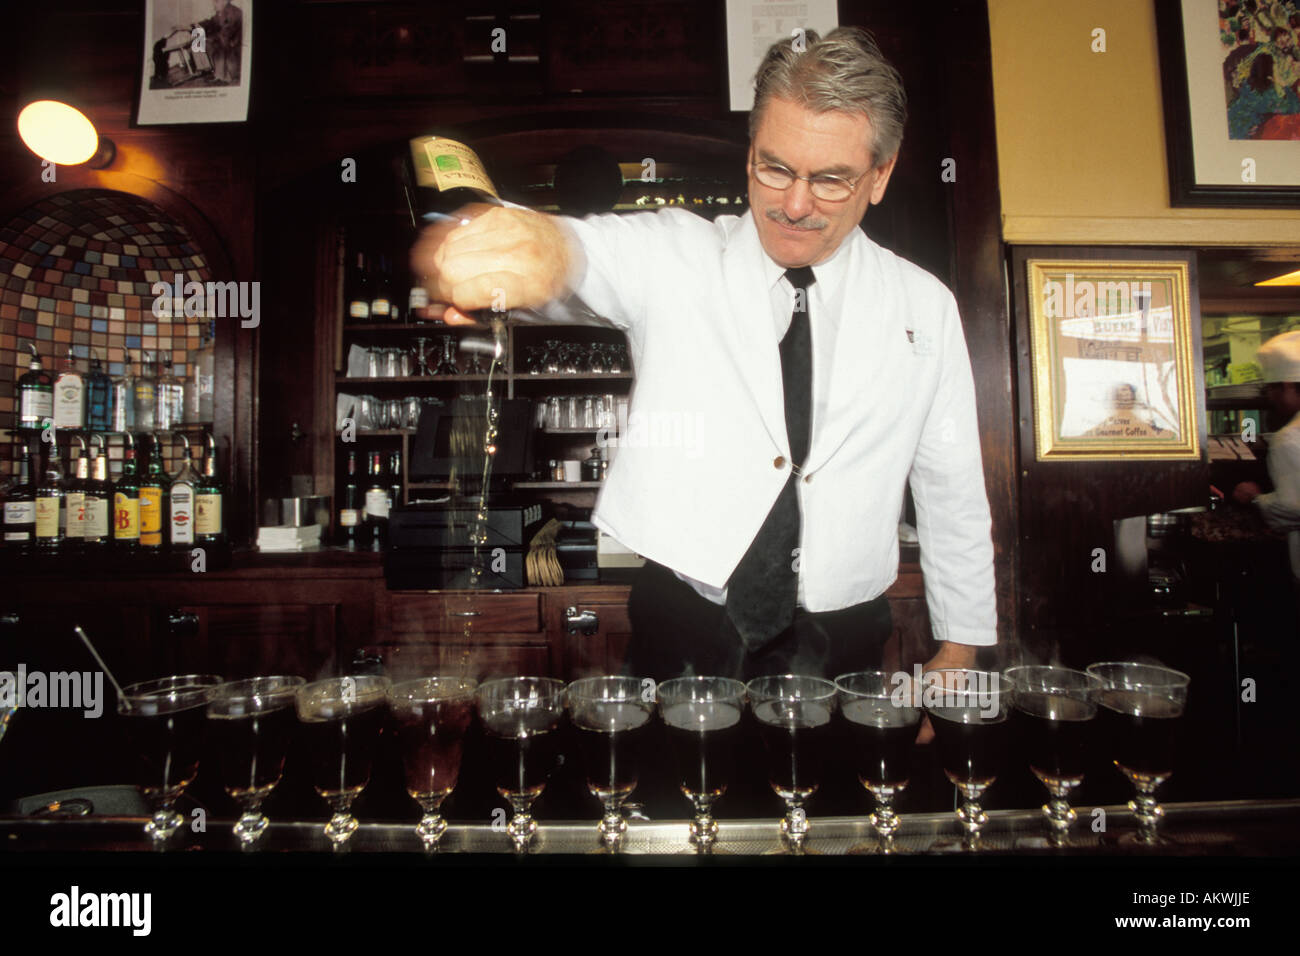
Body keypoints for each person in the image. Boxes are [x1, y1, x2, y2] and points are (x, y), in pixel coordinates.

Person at [411, 28, 996, 694]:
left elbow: (953, 490)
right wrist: (511, 245)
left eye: (830, 180)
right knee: (668, 796)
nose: (795, 205)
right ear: (750, 152)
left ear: (881, 174)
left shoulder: (925, 305)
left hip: (846, 637)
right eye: (774, 168)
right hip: (683, 625)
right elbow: (579, 252)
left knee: (841, 798)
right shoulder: (677, 256)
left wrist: (962, 645)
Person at [1233, 330, 1300, 579]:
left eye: (1271, 389)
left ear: (1288, 386)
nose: (1270, 398)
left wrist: (1255, 498)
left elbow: (1292, 507)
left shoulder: (1290, 438)